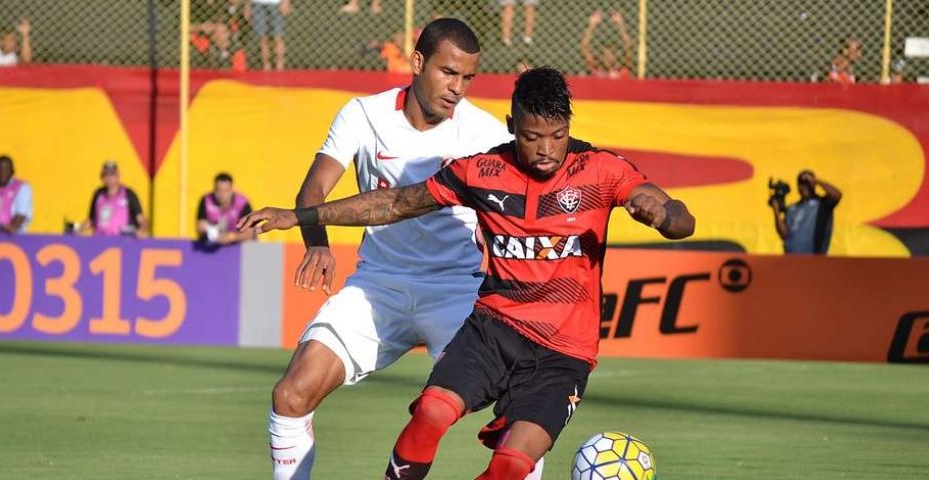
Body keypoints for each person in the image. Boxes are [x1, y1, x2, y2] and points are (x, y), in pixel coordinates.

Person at [238, 66, 695, 480]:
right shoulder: (482, 171)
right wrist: (302, 217)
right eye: (533, 136)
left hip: (564, 353)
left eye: (557, 135)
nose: (546, 150)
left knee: (511, 465)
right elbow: (395, 203)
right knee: (431, 413)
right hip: (493, 331)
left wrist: (663, 216)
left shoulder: (601, 170)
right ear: (513, 126)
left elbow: (676, 215)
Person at [256, 18, 548, 480]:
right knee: (291, 394)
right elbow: (313, 188)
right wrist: (318, 245)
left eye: (468, 78)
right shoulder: (363, 115)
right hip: (379, 286)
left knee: (521, 413)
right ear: (417, 62)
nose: (457, 88)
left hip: (459, 291)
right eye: (448, 72)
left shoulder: (485, 134)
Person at [770, 170, 841, 255]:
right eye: (801, 183)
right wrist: (776, 210)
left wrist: (815, 181)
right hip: (790, 259)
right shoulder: (792, 208)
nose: (804, 186)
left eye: (807, 183)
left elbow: (837, 195)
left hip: (813, 259)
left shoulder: (822, 204)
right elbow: (784, 234)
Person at [77, 161, 148, 237]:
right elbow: (91, 220)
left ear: (118, 176)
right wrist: (78, 228)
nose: (109, 178)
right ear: (102, 178)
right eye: (106, 175)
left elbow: (141, 219)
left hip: (122, 241)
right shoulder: (98, 194)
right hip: (100, 240)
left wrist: (141, 229)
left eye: (112, 175)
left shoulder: (128, 194)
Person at [196, 172, 255, 244]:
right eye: (219, 190)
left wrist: (230, 237)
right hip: (213, 244)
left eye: (225, 191)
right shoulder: (206, 200)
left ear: (231, 190)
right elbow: (201, 228)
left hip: (239, 245)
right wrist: (216, 235)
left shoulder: (242, 203)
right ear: (214, 189)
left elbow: (249, 234)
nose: (222, 195)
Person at [581, 10, 632, 79]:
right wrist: (592, 24)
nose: (608, 57)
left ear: (615, 57)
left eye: (611, 54)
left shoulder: (621, 71)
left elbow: (629, 46)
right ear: (601, 57)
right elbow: (584, 47)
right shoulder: (596, 70)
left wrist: (620, 24)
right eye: (605, 54)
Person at [245, 0, 290, 71]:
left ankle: (280, 67)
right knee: (263, 38)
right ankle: (266, 67)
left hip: (276, 3)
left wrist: (285, 1)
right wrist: (247, 6)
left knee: (278, 38)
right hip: (258, 3)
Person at [0, 155, 33, 234]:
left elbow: (22, 212)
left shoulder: (21, 187)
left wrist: (11, 228)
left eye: (6, 169)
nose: (3, 172)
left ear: (12, 171)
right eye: (0, 168)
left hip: (13, 236)